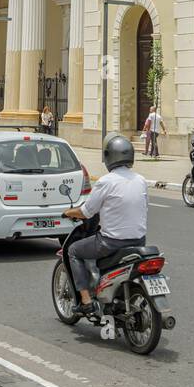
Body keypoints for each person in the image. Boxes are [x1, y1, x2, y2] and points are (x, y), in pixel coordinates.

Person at [63, 134, 148, 318]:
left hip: (111, 243)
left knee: (74, 250)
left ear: (109, 157)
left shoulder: (106, 181)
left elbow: (87, 212)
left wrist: (69, 212)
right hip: (139, 241)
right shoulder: (141, 180)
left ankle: (85, 302)